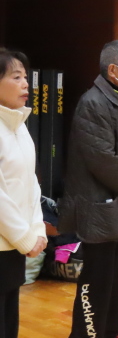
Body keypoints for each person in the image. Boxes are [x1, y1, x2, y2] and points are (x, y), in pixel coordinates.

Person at [59, 40, 118, 338]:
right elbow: (102, 159)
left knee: (116, 277)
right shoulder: (93, 103)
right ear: (114, 69)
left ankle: (111, 331)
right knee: (96, 280)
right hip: (97, 206)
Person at [0, 49, 47, 338]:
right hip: (7, 242)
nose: (25, 84)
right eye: (16, 77)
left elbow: (31, 184)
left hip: (14, 246)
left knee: (9, 322)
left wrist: (37, 228)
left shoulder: (19, 127)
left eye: (26, 77)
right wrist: (25, 237)